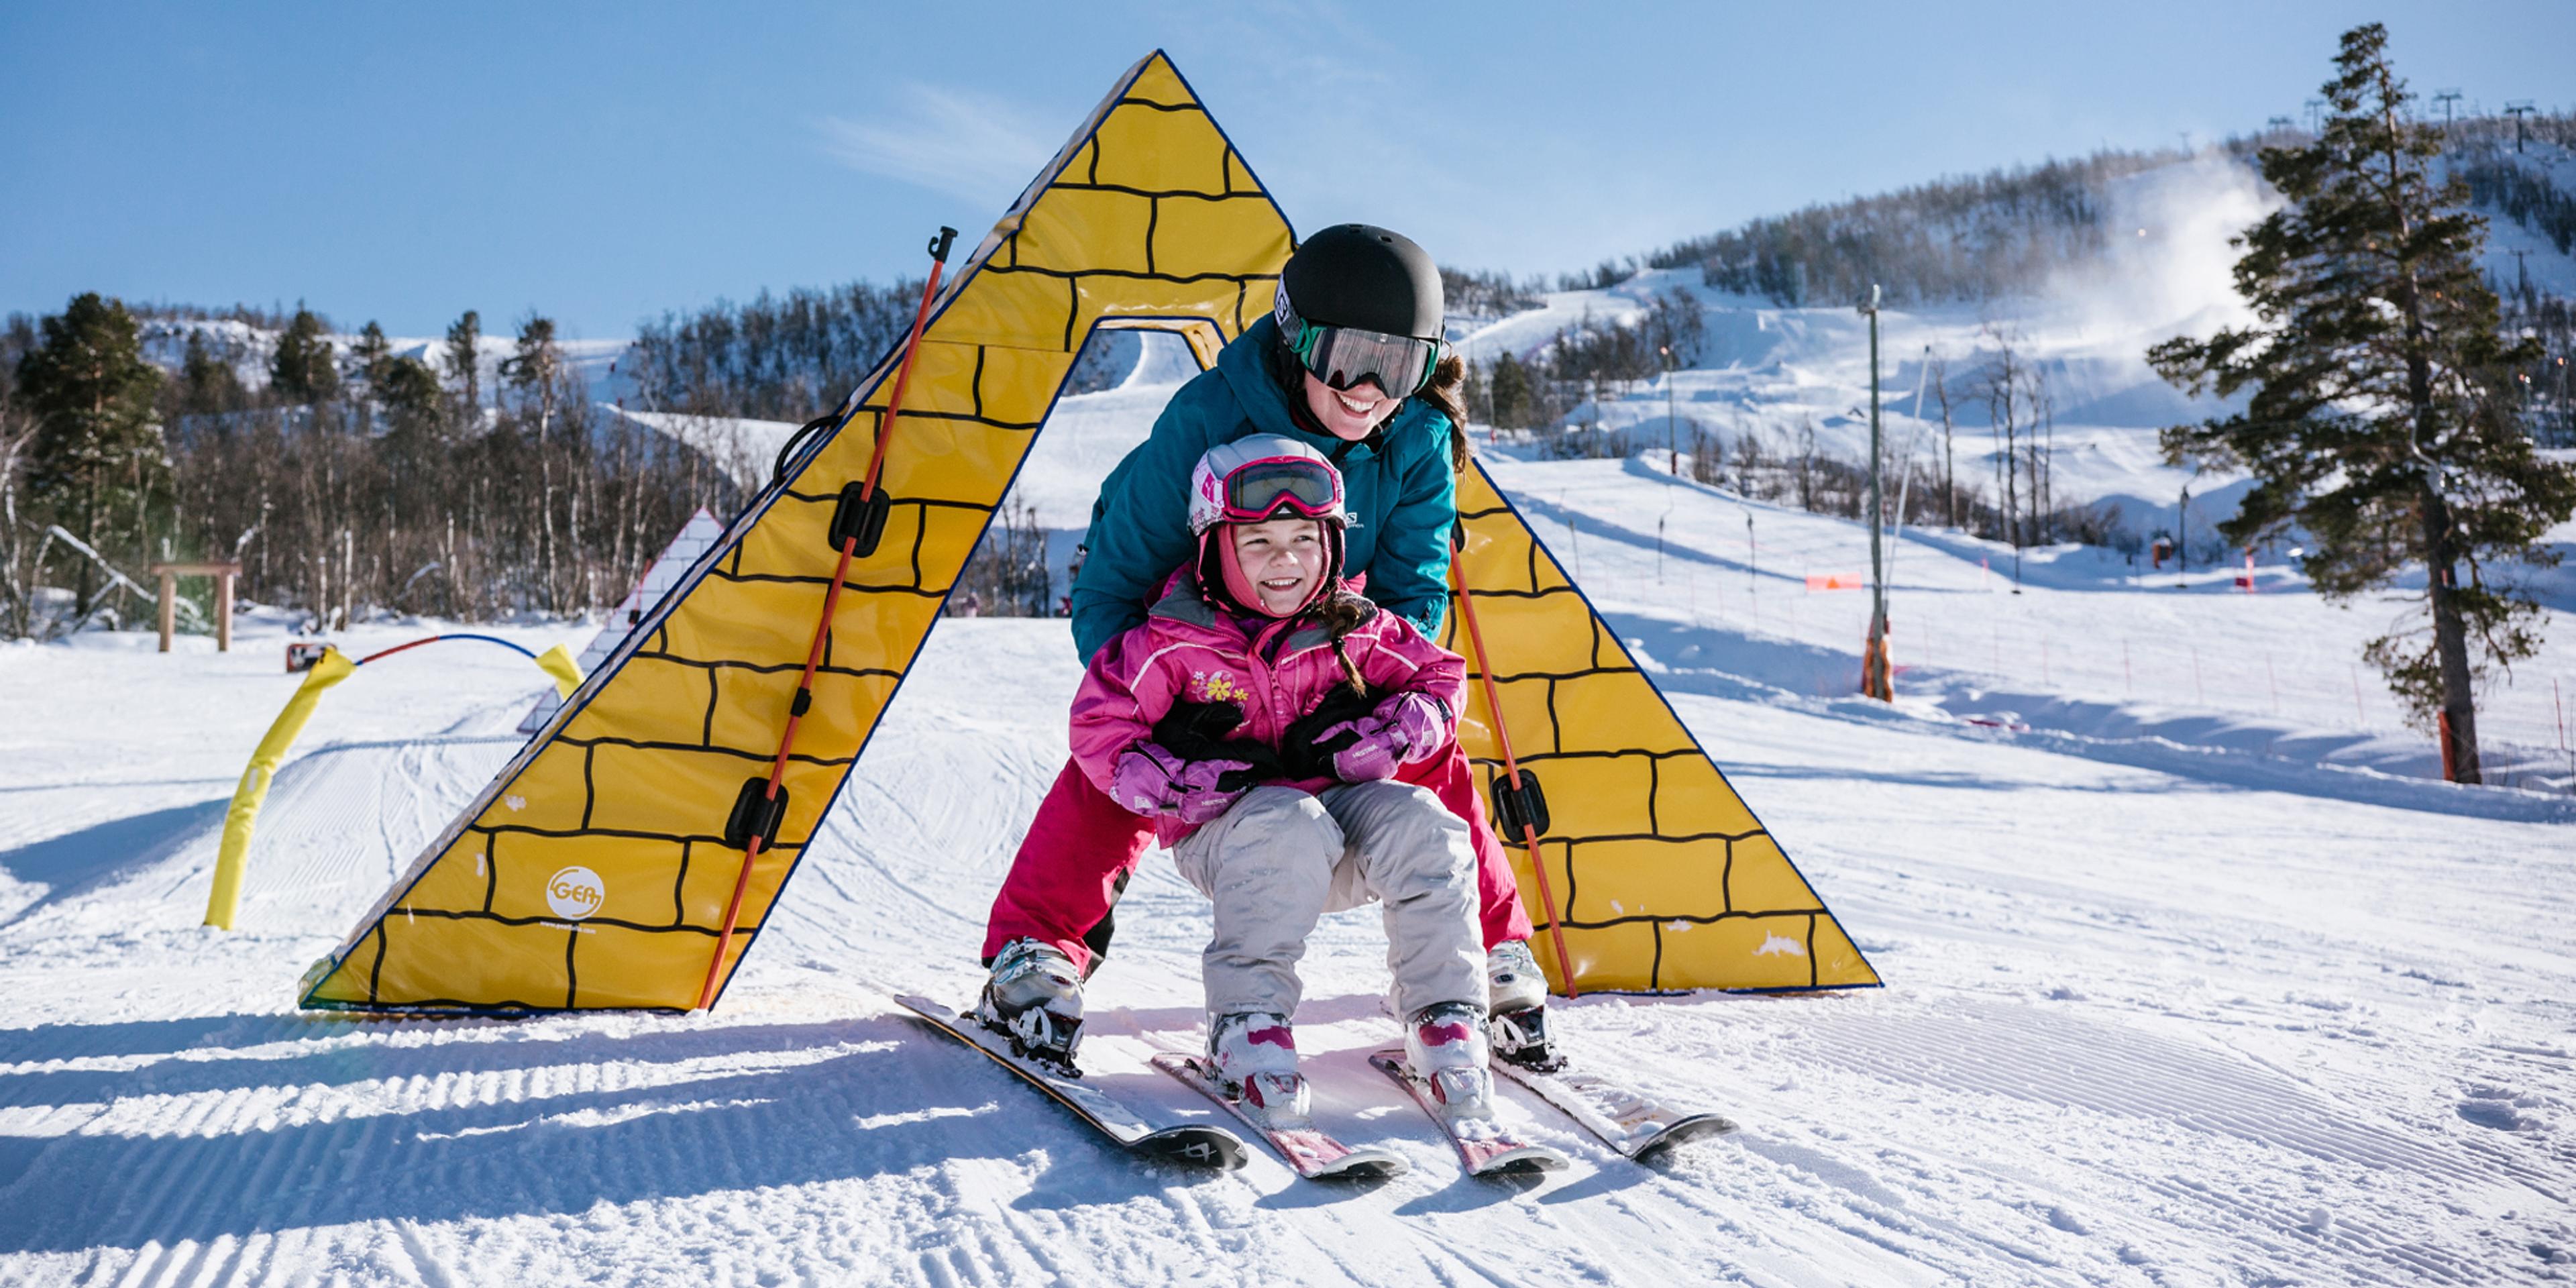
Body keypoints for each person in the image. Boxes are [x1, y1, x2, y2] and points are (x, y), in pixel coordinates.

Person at [977, 224, 1558, 1071]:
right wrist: (1153, 704)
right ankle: (1037, 952)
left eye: (1397, 366)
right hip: (1194, 650)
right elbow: (1110, 585)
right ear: (1295, 338)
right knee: (1115, 771)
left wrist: (1381, 698)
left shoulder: (1418, 438)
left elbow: (1416, 589)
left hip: (1325, 647)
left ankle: (1489, 954)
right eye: (1346, 358)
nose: (1367, 391)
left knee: (1434, 761)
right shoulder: (1208, 416)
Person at [1063, 437, 1495, 1119]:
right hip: (1232, 839)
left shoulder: (1353, 627)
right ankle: (1248, 1024)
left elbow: (1439, 677)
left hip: (1343, 828)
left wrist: (1387, 735)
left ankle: (1444, 1013)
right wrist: (1181, 783)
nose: (1286, 560)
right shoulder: (1172, 643)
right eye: (1258, 542)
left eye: (1303, 538)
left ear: (1332, 543)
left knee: (1426, 824)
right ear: (1214, 548)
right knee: (1284, 823)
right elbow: (1100, 727)